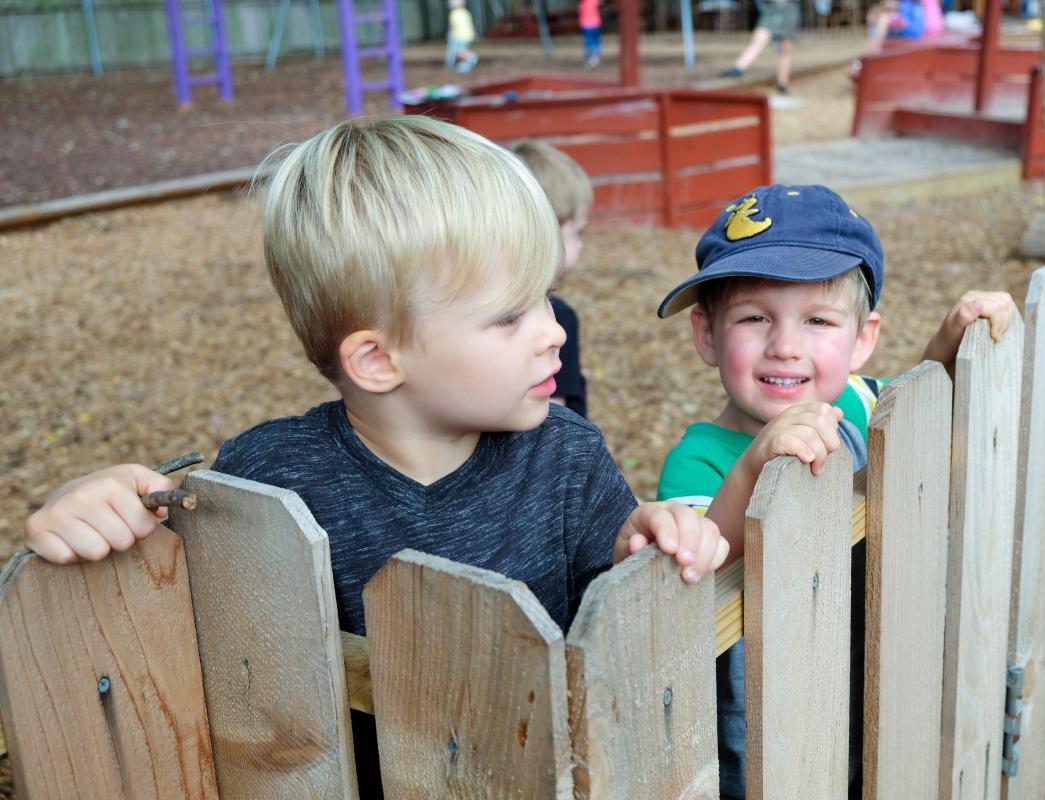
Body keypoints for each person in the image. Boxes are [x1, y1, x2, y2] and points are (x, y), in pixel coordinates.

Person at [24, 116, 729, 794]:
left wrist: (645, 542)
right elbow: (163, 602)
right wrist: (101, 499)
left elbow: (616, 602)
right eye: (511, 315)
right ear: (377, 360)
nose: (553, 332)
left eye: (547, 298)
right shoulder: (269, 480)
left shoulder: (567, 459)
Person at [654, 183, 1016, 799]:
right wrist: (753, 467)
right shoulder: (698, 462)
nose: (785, 345)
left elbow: (912, 416)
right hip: (771, 724)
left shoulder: (855, 399)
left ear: (862, 338)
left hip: (875, 676)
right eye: (754, 317)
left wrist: (951, 344)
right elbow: (695, 582)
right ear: (707, 334)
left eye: (818, 320)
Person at [510, 138, 592, 417]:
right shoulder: (557, 318)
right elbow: (549, 416)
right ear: (547, 232)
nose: (581, 244)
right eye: (578, 232)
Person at [719, 0, 801, 95]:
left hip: (790, 8)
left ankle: (783, 84)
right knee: (759, 38)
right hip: (773, 8)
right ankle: (738, 68)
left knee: (785, 48)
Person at [446, 0, 479, 73]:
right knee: (462, 50)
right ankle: (465, 65)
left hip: (459, 36)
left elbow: (453, 26)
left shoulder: (453, 14)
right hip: (468, 35)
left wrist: (449, 34)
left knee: (458, 52)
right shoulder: (466, 12)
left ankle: (472, 57)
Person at [579, 0, 602, 68]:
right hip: (595, 24)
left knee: (589, 42)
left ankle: (591, 57)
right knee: (595, 41)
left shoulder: (582, 3)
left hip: (587, 25)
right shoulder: (593, 1)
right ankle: (595, 56)